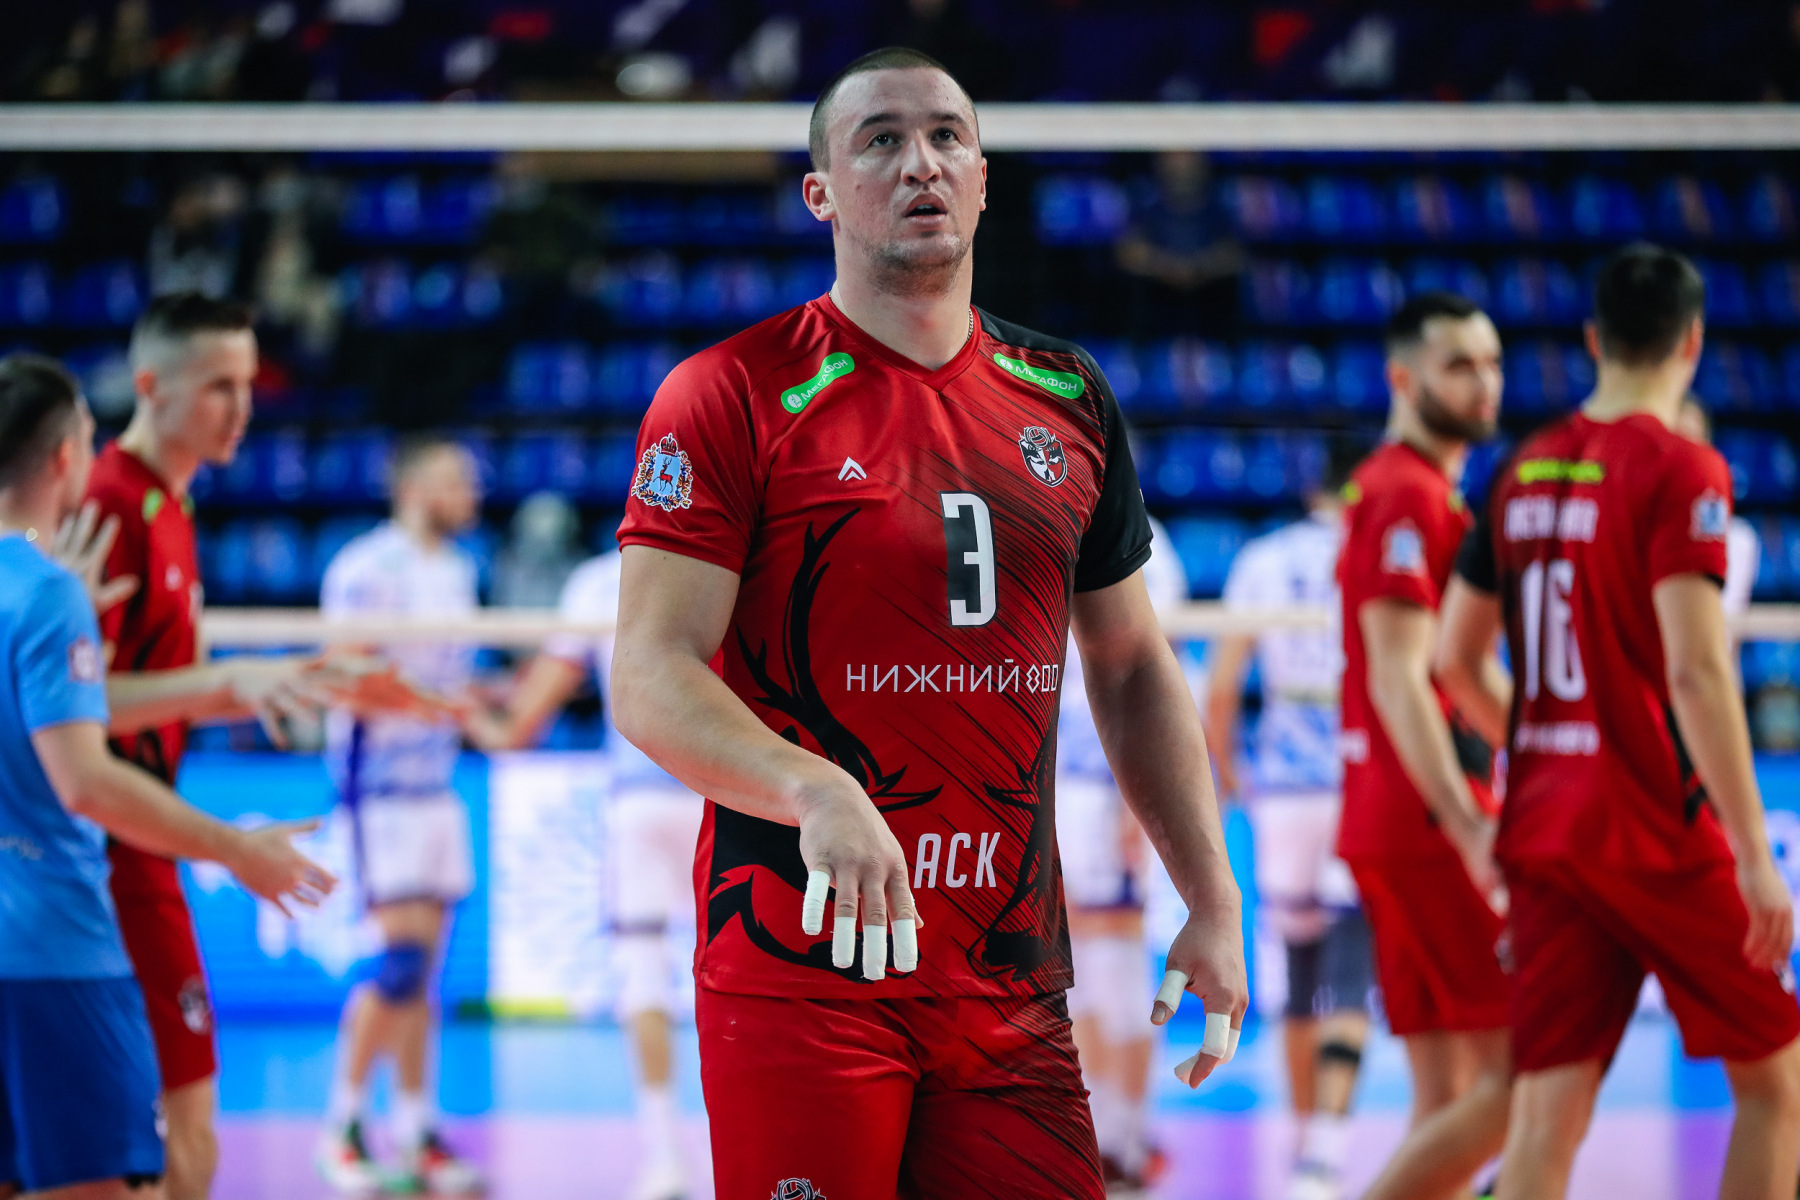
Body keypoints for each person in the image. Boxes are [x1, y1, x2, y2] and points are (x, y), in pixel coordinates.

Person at [608, 46, 1246, 1200]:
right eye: (882, 141)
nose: (922, 164)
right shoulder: (731, 391)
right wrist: (811, 789)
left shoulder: (1067, 396)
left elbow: (1130, 662)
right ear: (820, 193)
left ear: (985, 180)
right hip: (804, 968)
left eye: (948, 137)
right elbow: (650, 672)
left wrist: (1211, 890)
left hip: (1009, 976)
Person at [1439, 243, 1800, 1198]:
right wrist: (1754, 854)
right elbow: (1697, 669)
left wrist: (1554, 744)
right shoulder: (1684, 467)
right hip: (1652, 829)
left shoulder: (1521, 465)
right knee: (1779, 1085)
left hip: (1545, 828)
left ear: (1593, 340)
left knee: (1547, 1115)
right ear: (1694, 342)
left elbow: (1452, 659)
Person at [0, 352, 331, 1200]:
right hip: (54, 947)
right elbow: (84, 781)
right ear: (68, 456)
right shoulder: (49, 592)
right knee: (139, 1171)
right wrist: (236, 848)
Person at [87, 291, 361, 1200]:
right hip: (104, 849)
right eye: (218, 386)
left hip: (143, 839)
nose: (242, 408)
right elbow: (77, 709)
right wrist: (227, 683)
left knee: (166, 1141)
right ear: (150, 386)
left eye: (247, 385)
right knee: (174, 1140)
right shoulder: (111, 503)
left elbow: (155, 689)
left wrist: (314, 681)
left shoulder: (170, 504)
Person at [1337, 291, 1512, 1200]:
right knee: (1524, 1079)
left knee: (1446, 1093)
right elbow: (1401, 677)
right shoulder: (1406, 493)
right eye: (1459, 364)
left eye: (1491, 362)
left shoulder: (1413, 488)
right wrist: (1469, 823)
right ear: (1403, 378)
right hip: (1428, 821)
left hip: (1396, 818)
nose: (1484, 383)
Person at [465, 549, 705, 1200]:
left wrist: (459, 711)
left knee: (642, 977)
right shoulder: (741, 556)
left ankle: (664, 1156)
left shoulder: (598, 581)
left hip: (642, 803)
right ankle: (753, 1149)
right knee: (748, 975)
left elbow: (518, 728)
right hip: (726, 795)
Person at [314, 436, 484, 1196]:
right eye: (456, 480)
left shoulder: (458, 571)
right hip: (377, 789)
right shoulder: (364, 568)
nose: (471, 493)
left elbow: (446, 682)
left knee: (426, 974)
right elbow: (343, 679)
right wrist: (435, 703)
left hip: (436, 786)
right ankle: (343, 1126)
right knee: (399, 965)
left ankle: (416, 1131)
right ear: (415, 489)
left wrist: (476, 707)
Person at [1203, 445, 1372, 1200]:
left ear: (1312, 489)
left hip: (1284, 790)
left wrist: (1232, 775)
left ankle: (1305, 1144)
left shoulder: (1265, 559)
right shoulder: (1379, 549)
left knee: (1299, 970)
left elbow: (1222, 685)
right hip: (1358, 776)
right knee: (1352, 956)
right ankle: (1326, 1149)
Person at [1055, 517, 1188, 1193]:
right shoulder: (1143, 542)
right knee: (1115, 962)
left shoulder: (1038, 507)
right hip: (1106, 779)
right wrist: (1142, 800)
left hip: (1048, 777)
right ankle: (1121, 1139)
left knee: (1079, 964)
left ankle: (1100, 1134)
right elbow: (1151, 677)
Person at [1674, 396, 1761, 621]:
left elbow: (1721, 622)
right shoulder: (1630, 532)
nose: (1684, 456)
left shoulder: (1737, 540)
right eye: (1675, 442)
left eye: (1692, 443)